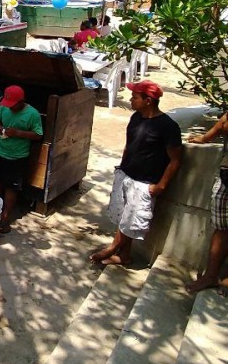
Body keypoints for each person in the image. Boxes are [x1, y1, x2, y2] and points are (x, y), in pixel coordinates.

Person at [91, 80, 183, 266]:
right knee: (125, 217)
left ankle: (112, 248)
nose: (131, 100)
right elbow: (129, 144)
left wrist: (161, 185)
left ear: (148, 100)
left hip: (145, 181)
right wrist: (122, 166)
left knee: (133, 218)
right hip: (126, 174)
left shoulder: (168, 127)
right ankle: (125, 256)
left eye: (135, 97)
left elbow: (175, 160)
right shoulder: (136, 118)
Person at [0, 85, 44, 234]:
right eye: (8, 105)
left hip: (17, 157)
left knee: (11, 187)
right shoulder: (4, 108)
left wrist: (19, 133)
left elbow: (38, 134)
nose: (10, 108)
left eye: (13, 105)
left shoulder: (32, 114)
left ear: (21, 101)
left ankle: (5, 216)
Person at [186, 113, 228, 292]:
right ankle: (211, 275)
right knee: (221, 228)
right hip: (227, 176)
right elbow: (222, 125)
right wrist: (203, 138)